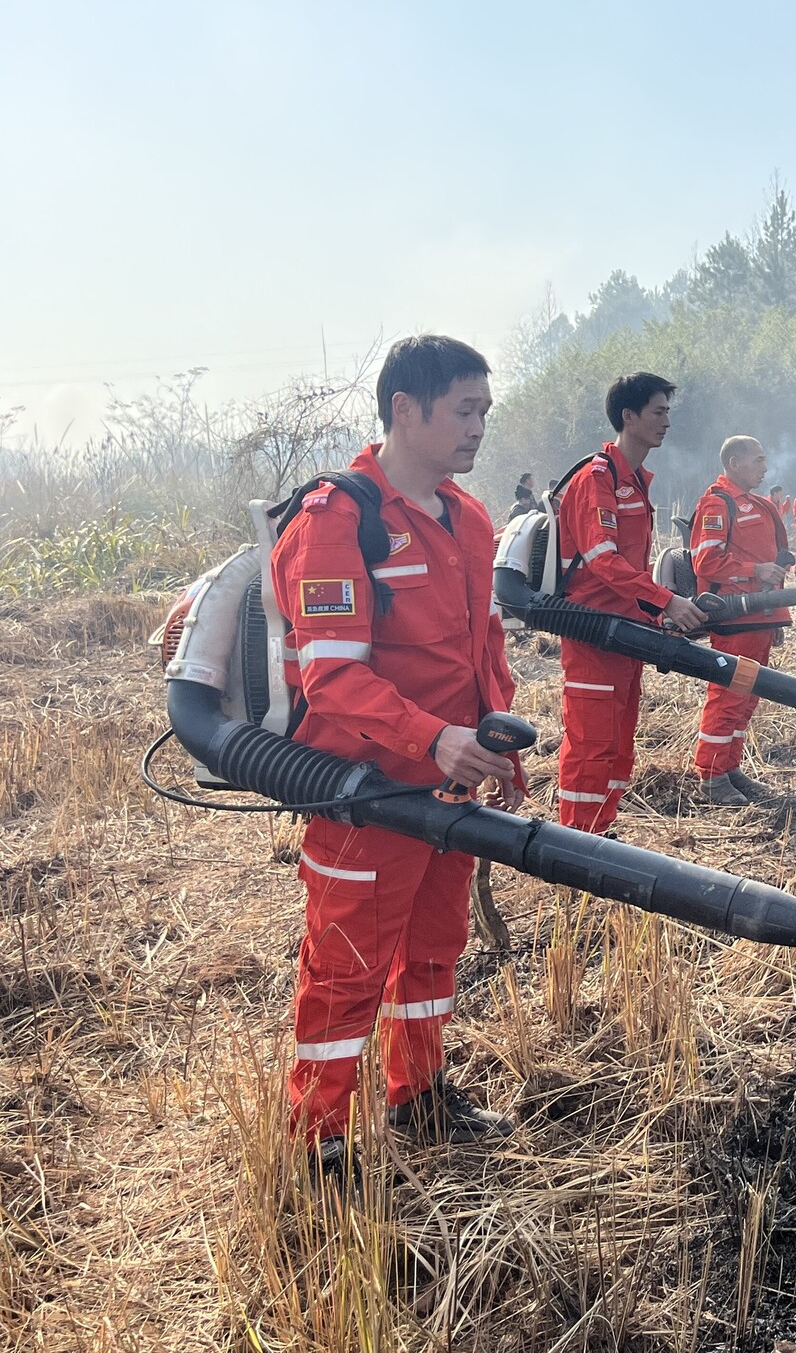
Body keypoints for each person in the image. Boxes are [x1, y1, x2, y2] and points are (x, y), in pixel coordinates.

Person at [270, 334, 527, 1184]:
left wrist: (494, 732)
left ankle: (418, 1095)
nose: (478, 428)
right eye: (464, 410)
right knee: (345, 972)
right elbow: (333, 677)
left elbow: (482, 646)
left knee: (431, 950)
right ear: (404, 410)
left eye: (485, 411)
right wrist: (430, 737)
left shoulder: (470, 516)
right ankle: (318, 1142)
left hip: (453, 788)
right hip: (368, 795)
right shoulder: (340, 519)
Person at [551, 373, 707, 834]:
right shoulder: (596, 479)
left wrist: (655, 614)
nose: (666, 422)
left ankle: (603, 833)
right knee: (591, 741)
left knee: (619, 740)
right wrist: (667, 601)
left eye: (667, 412)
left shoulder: (634, 479)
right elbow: (603, 561)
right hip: (593, 631)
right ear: (629, 416)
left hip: (628, 631)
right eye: (658, 412)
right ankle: (575, 845)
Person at [689, 436, 793, 805]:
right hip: (736, 618)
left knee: (747, 698)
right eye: (759, 460)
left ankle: (730, 769)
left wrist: (776, 618)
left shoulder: (757, 505)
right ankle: (712, 777)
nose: (765, 467)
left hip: (760, 617)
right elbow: (706, 562)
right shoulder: (719, 505)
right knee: (729, 696)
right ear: (734, 463)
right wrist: (755, 569)